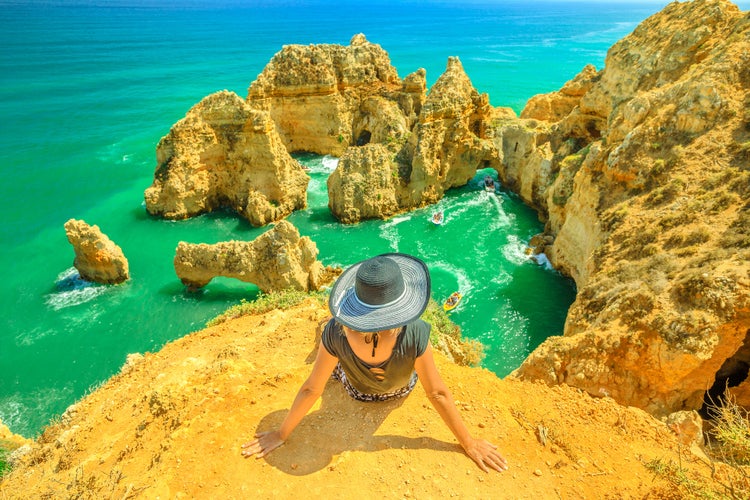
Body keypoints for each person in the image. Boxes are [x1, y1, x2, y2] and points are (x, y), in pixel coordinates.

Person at [241, 253, 508, 473]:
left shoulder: (337, 331)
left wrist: (281, 433)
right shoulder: (416, 332)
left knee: (328, 340)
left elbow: (312, 389)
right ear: (402, 303)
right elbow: (437, 392)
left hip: (358, 392)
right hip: (400, 390)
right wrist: (469, 442)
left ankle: (325, 342)